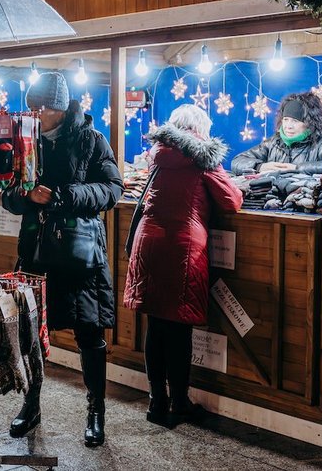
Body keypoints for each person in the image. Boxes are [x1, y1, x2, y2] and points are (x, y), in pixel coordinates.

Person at [2, 72, 123, 447]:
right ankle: (31, 403)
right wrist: (26, 197)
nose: (37, 114)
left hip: (80, 254)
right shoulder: (25, 140)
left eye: (45, 108)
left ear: (62, 107)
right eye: (33, 107)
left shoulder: (91, 139)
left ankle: (96, 411)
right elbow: (8, 193)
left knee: (90, 332)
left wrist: (65, 195)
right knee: (31, 333)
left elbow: (112, 189)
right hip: (37, 252)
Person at [123, 105, 242, 427]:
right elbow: (232, 201)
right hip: (182, 247)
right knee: (178, 330)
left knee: (156, 327)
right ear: (200, 129)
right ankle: (179, 402)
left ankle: (156, 402)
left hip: (148, 243)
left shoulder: (158, 153)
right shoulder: (203, 156)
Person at [230, 91, 322, 175]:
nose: (288, 126)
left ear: (310, 123)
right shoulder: (274, 142)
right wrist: (259, 166)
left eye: (295, 121)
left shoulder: (321, 142)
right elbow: (237, 161)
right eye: (286, 119)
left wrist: (296, 168)